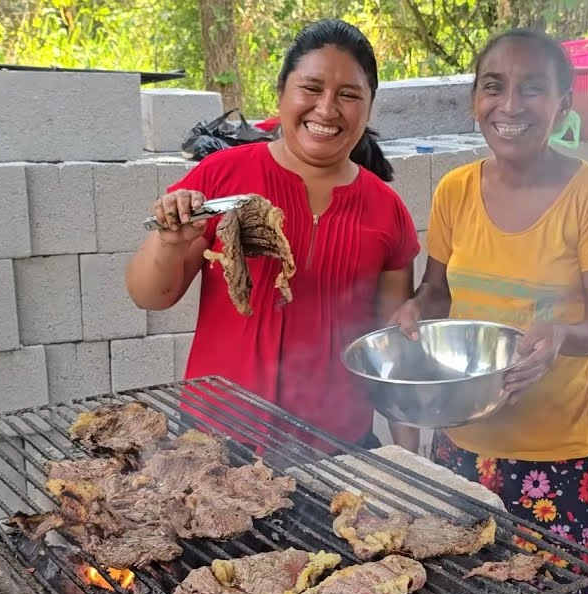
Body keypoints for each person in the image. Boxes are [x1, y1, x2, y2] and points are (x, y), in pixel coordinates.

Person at [390, 29, 588, 594]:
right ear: (475, 99)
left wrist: (562, 338)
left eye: (533, 89)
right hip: (463, 445)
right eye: (493, 87)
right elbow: (436, 291)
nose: (510, 105)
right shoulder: (455, 193)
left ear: (563, 104)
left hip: (558, 460)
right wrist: (413, 312)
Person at [125, 18, 420, 452]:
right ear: (282, 92)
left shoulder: (386, 208)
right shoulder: (221, 175)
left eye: (349, 95)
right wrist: (170, 242)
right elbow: (151, 296)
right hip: (216, 443)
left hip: (337, 448)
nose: (327, 108)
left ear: (369, 105)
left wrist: (408, 458)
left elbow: (392, 351)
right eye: (312, 88)